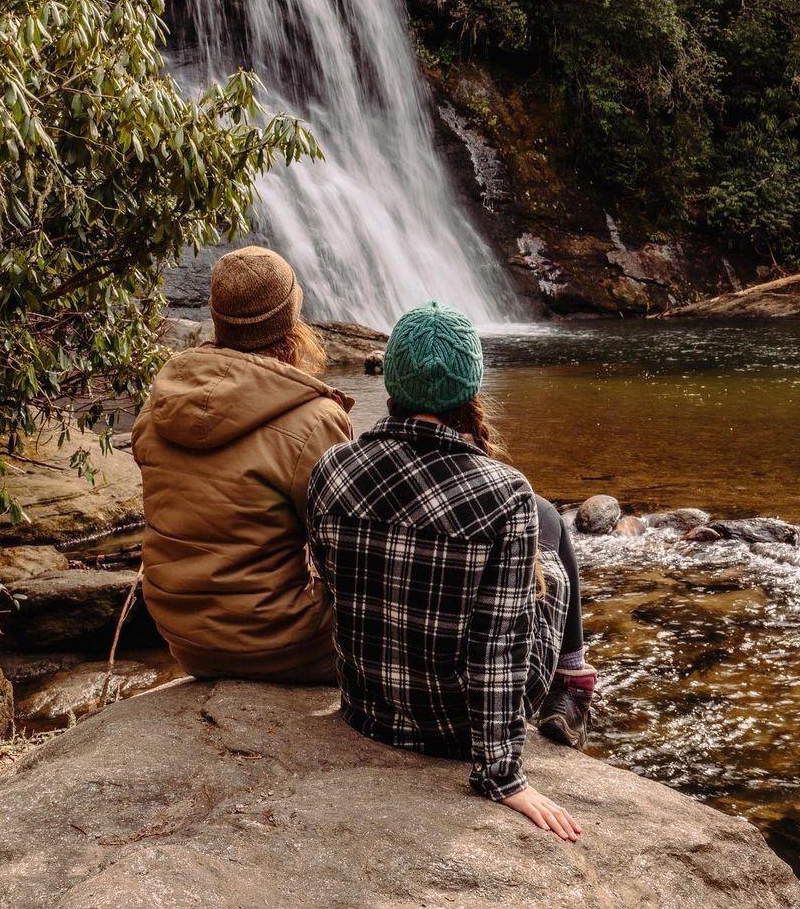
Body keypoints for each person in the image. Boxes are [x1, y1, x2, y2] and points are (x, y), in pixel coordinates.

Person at [306, 301, 596, 841]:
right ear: (471, 390)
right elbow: (498, 649)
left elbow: (332, 584)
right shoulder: (505, 493)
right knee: (549, 528)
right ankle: (573, 679)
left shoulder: (332, 467)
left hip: (366, 709)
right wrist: (503, 777)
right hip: (455, 731)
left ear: (391, 378)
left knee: (538, 522)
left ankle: (574, 676)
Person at [133, 246, 353, 683]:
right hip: (282, 642)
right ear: (292, 328)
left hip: (184, 639)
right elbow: (347, 550)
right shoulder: (314, 420)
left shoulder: (159, 405)